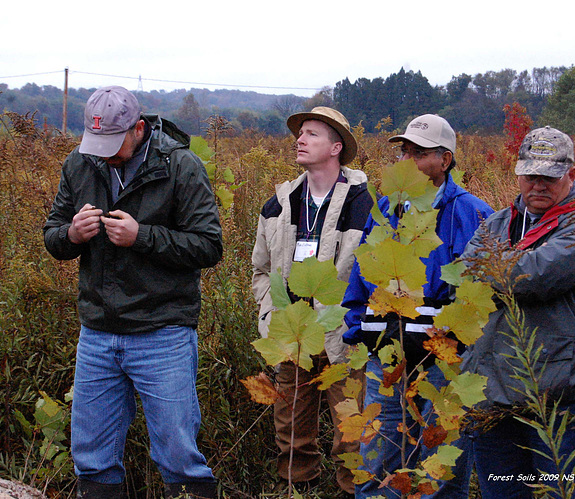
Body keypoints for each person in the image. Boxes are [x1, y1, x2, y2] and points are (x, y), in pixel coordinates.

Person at [43, 86, 223, 499]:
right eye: (96, 142)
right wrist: (71, 234)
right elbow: (53, 236)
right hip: (98, 332)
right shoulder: (79, 164)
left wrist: (142, 237)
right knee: (92, 457)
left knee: (178, 455)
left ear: (138, 128)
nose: (103, 153)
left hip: (163, 332)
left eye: (113, 143)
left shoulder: (180, 166)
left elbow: (208, 245)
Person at [342, 114, 493, 498]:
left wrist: (453, 345)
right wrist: (361, 334)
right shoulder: (385, 211)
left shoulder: (473, 214)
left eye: (419, 153)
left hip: (444, 361)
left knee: (440, 462)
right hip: (386, 357)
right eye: (404, 152)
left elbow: (480, 295)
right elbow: (359, 279)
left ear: (445, 160)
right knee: (379, 455)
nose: (407, 161)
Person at [461, 126, 575, 498]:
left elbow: (534, 277)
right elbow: (463, 275)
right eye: (530, 175)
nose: (538, 185)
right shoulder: (497, 222)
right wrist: (502, 268)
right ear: (518, 173)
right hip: (494, 396)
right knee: (502, 492)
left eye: (549, 176)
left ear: (571, 175)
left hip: (559, 401)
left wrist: (494, 267)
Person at [251, 107, 373, 497]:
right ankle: (295, 489)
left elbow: (371, 275)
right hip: (293, 333)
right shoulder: (278, 204)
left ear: (336, 147)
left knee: (351, 431)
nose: (300, 140)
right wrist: (272, 312)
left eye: (312, 135)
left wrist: (351, 320)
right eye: (300, 134)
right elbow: (260, 270)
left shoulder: (363, 204)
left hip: (343, 336)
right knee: (290, 430)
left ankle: (352, 491)